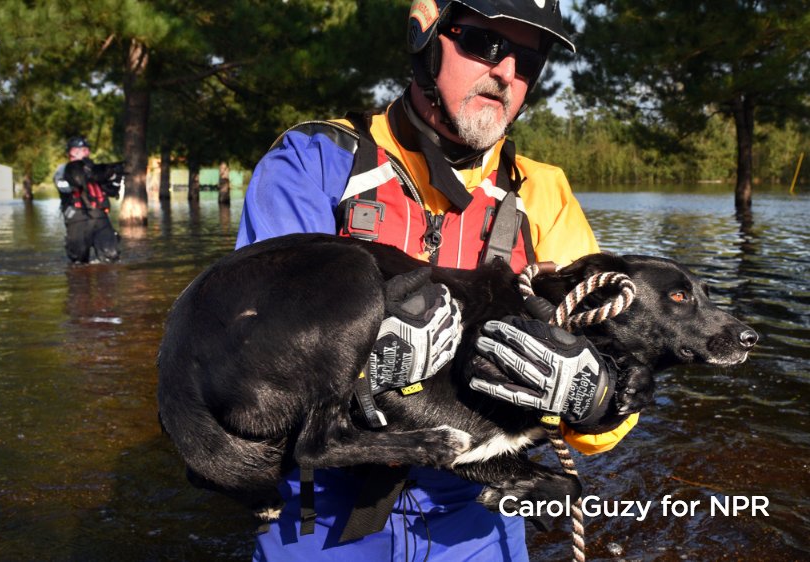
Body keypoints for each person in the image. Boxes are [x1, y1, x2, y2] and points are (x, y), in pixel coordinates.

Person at [235, 1, 647, 560]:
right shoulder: (315, 163)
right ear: (424, 35)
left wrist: (597, 395)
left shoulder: (543, 194)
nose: (506, 72)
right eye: (483, 43)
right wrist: (364, 372)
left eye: (529, 59)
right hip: (324, 495)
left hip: (478, 505)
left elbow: (600, 423)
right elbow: (255, 358)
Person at [53, 135, 122, 264]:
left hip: (100, 217)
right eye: (83, 149)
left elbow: (110, 191)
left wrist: (114, 177)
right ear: (72, 152)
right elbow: (63, 187)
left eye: (87, 149)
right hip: (78, 217)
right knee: (78, 261)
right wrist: (78, 178)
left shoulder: (95, 169)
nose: (87, 152)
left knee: (111, 257)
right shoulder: (63, 170)